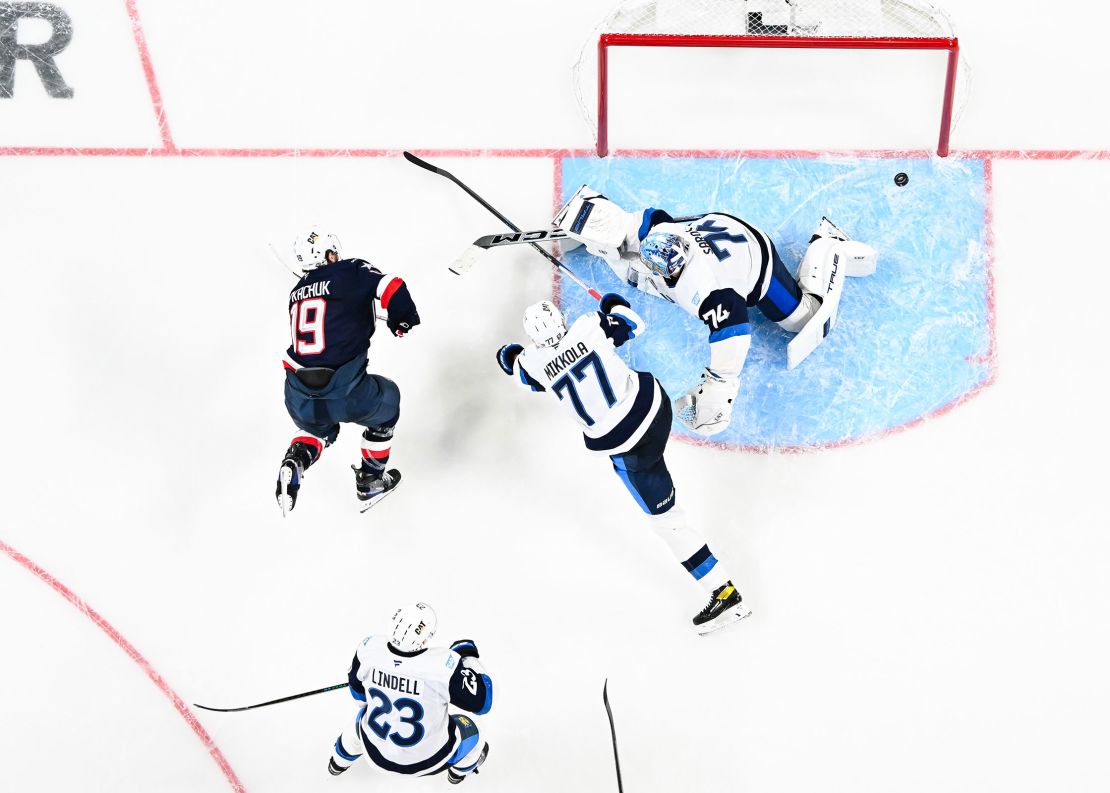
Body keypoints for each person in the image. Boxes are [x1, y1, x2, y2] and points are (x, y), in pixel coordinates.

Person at [496, 296, 751, 634]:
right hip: (655, 411)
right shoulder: (588, 326)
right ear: (560, 320)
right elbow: (632, 322)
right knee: (636, 387)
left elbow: (512, 365)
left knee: (667, 523)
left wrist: (514, 353)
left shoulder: (533, 362)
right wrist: (610, 305)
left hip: (628, 448)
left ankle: (726, 594)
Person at [553, 186, 878, 436]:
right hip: (713, 227)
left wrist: (722, 383)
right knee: (631, 269)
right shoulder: (658, 236)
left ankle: (829, 243)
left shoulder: (702, 288)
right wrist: (596, 229)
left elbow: (733, 317)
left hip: (752, 258)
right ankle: (594, 222)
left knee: (802, 318)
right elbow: (648, 220)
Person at [276, 228, 421, 514]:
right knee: (388, 403)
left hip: (298, 394)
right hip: (344, 388)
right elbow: (392, 286)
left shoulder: (296, 293)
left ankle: (296, 460)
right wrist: (403, 319)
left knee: (316, 428)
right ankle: (371, 481)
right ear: (328, 255)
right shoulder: (349, 270)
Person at [328, 602, 492, 784]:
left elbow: (360, 699)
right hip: (430, 761)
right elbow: (483, 703)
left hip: (376, 755)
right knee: (477, 732)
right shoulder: (444, 664)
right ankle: (458, 775)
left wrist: (388, 686)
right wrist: (468, 659)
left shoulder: (368, 648)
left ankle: (337, 763)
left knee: (360, 719)